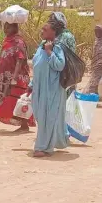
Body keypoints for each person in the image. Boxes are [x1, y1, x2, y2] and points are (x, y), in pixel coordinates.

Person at [28, 20, 69, 158]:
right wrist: (32, 84)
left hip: (52, 89)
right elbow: (37, 66)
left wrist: (50, 51)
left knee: (48, 118)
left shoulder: (57, 47)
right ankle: (48, 144)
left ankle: (42, 147)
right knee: (41, 116)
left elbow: (60, 65)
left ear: (53, 32)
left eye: (45, 30)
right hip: (39, 89)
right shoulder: (41, 47)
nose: (42, 31)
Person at [48, 12, 77, 97]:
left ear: (60, 23)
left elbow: (67, 56)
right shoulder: (54, 36)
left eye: (52, 21)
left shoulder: (67, 36)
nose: (50, 23)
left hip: (66, 73)